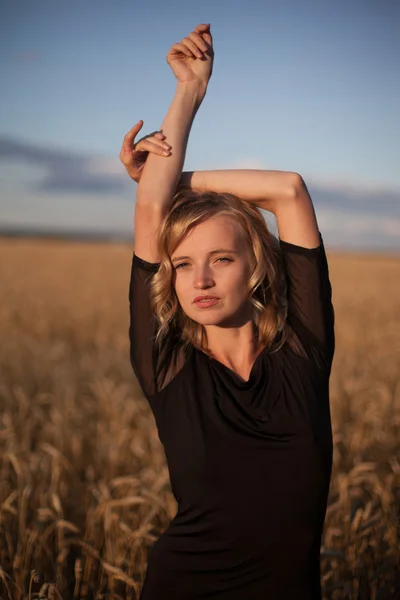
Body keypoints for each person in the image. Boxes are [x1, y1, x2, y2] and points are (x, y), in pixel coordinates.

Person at [120, 23, 335, 600]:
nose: (202, 279)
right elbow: (148, 214)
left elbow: (288, 190)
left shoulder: (303, 354)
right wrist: (189, 89)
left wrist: (176, 182)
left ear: (257, 267)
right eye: (184, 264)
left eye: (220, 258)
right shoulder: (166, 366)